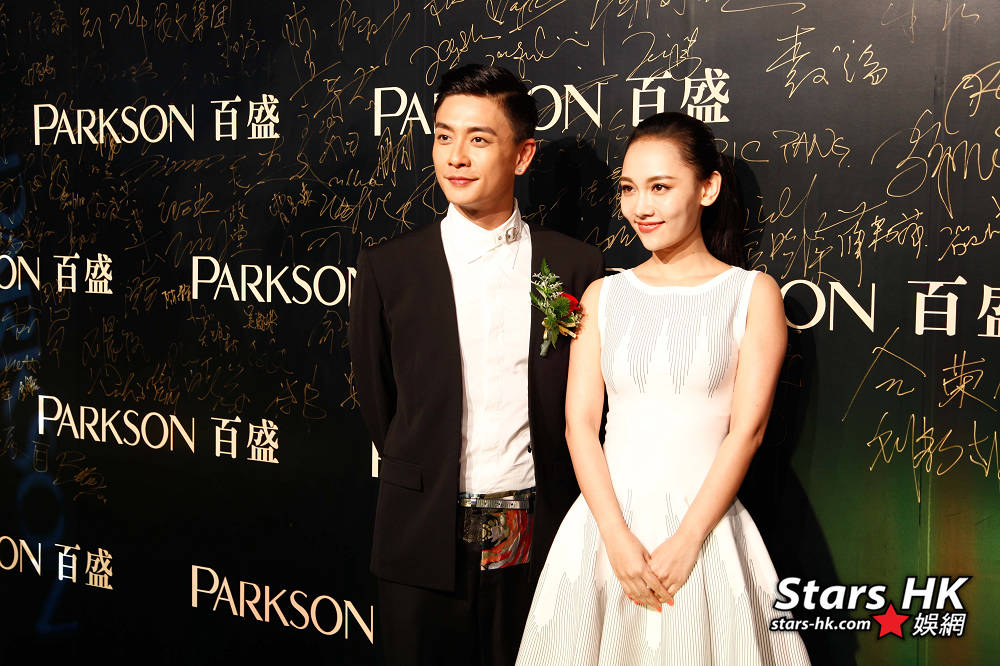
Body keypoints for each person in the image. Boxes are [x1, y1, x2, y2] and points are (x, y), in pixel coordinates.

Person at [516, 112, 811, 665]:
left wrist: (686, 541)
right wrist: (616, 538)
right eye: (629, 188)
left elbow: (746, 432)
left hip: (705, 532)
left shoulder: (752, 294)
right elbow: (580, 425)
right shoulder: (603, 296)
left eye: (660, 187)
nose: (640, 207)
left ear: (707, 188)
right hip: (604, 532)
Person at [349, 64, 604, 666]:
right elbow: (381, 405)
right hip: (422, 536)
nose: (456, 157)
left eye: (479, 139)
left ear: (523, 155)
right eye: (443, 136)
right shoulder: (389, 267)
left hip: (541, 540)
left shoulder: (575, 266)